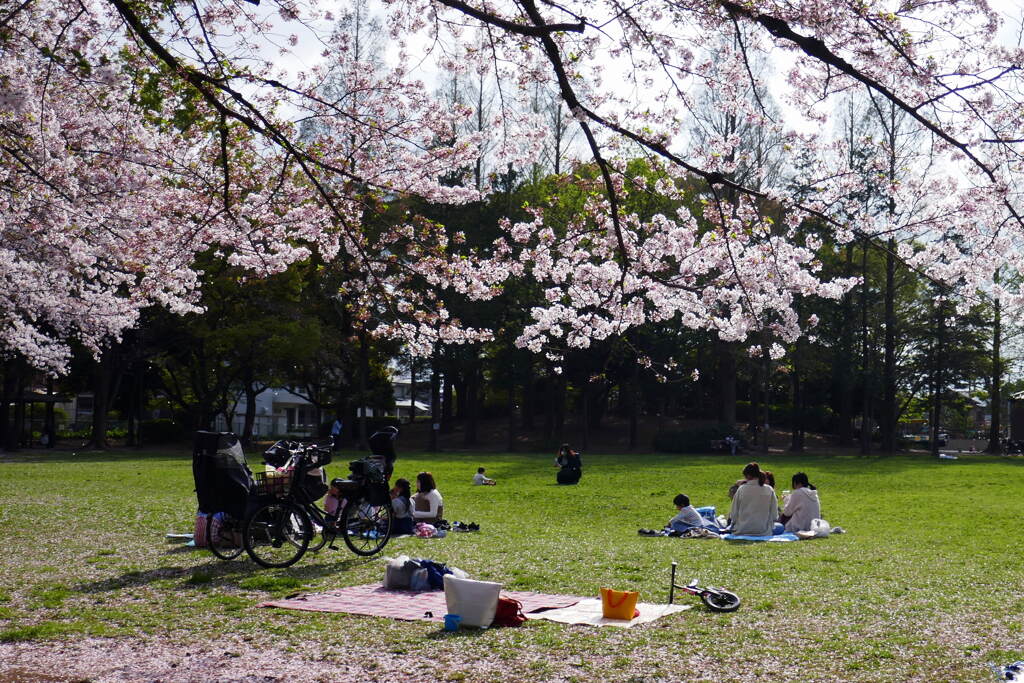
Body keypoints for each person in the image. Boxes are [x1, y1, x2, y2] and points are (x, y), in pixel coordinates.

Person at [728, 462, 777, 536]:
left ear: (748, 475)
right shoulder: (769, 489)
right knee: (780, 527)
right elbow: (774, 514)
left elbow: (734, 513)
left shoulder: (742, 489)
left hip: (743, 529)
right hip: (763, 530)